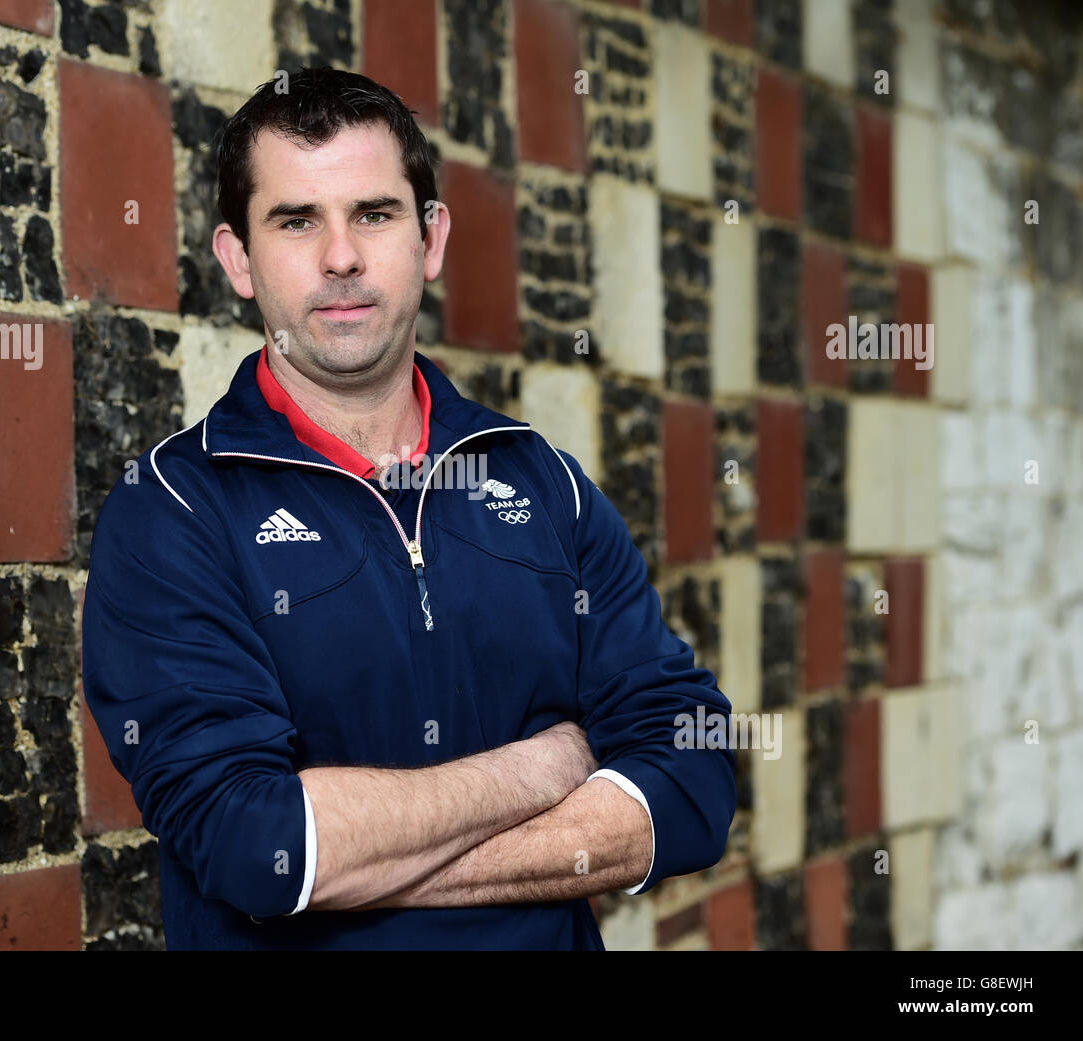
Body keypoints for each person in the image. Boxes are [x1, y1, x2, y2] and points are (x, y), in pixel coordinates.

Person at [81, 67, 735, 950]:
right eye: (297, 219)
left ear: (430, 240)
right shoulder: (173, 513)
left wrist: (371, 863)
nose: (341, 257)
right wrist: (548, 762)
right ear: (237, 259)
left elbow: (694, 779)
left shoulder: (543, 484)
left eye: (375, 214)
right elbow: (260, 847)